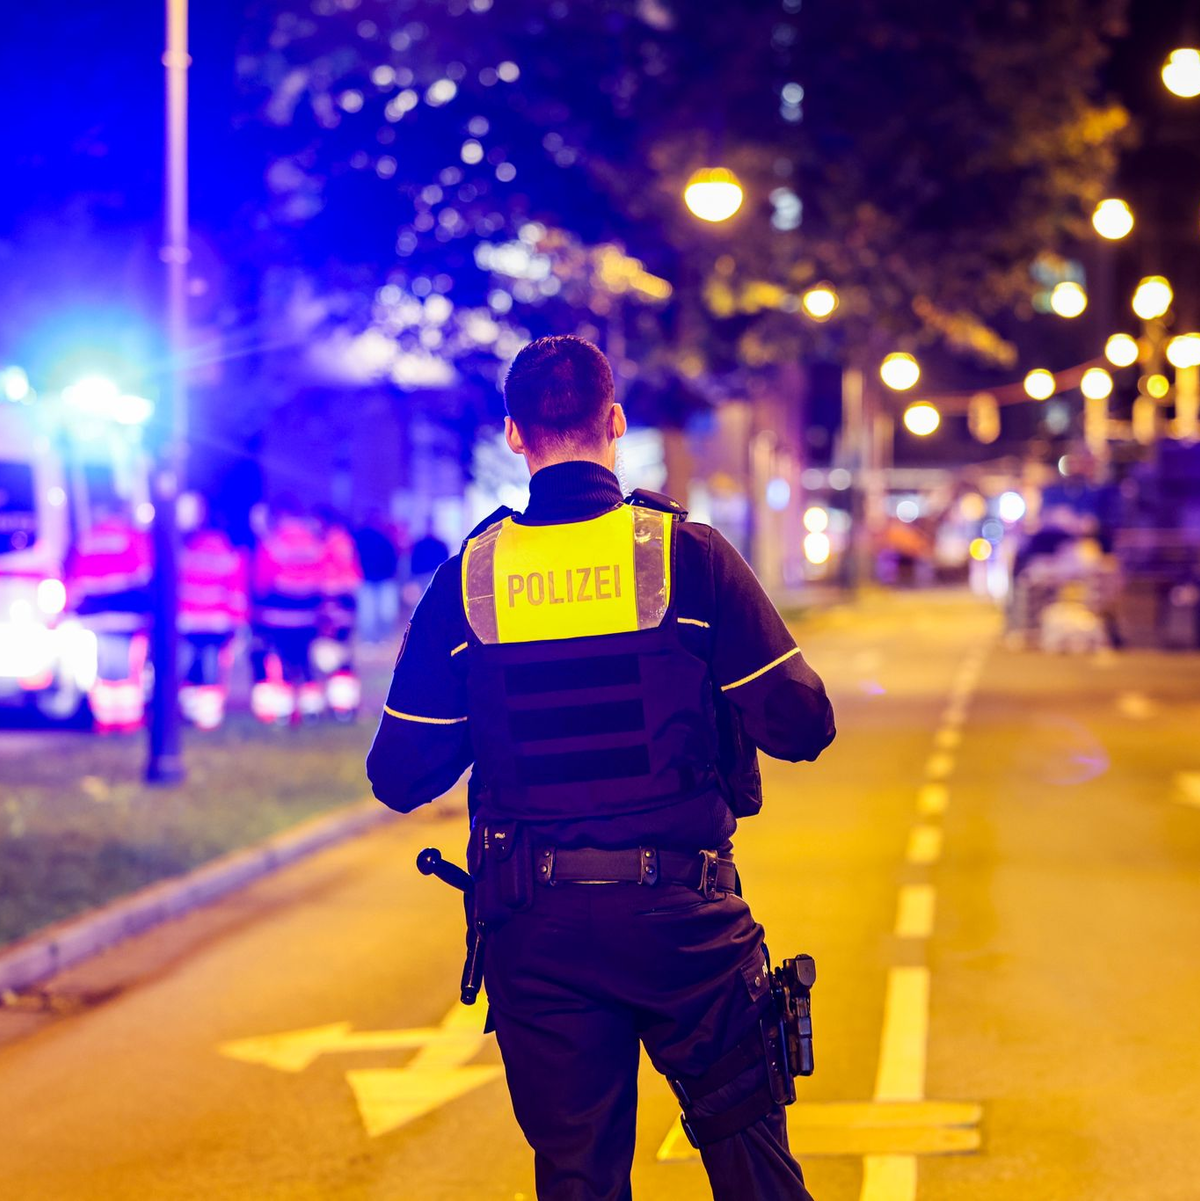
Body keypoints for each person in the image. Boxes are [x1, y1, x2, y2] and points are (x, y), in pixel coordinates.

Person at [367, 335, 835, 1201]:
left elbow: (400, 773)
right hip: (683, 925)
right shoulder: (686, 557)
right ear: (615, 422)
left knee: (578, 1180)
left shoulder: (471, 578)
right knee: (755, 1175)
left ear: (514, 434)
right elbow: (805, 724)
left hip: (536, 929)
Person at [65, 500, 153, 733]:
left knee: (103, 668)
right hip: (125, 616)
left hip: (94, 617)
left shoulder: (87, 537)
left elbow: (73, 578)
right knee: (125, 671)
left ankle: (104, 720)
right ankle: (126, 722)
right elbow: (144, 575)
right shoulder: (130, 536)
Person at [250, 499, 325, 724]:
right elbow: (321, 577)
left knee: (281, 661)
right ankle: (311, 710)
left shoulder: (273, 542)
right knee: (304, 660)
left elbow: (262, 580)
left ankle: (283, 712)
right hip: (307, 615)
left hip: (278, 615)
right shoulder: (314, 542)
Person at [177, 493, 248, 730]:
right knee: (209, 668)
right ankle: (207, 719)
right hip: (216, 622)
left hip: (188, 621)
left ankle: (188, 714)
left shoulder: (186, 551)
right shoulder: (226, 553)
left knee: (187, 668)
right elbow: (236, 593)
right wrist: (237, 623)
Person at [314, 506, 364, 719]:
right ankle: (343, 704)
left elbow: (331, 574)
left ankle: (342, 706)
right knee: (341, 653)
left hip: (336, 601)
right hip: (344, 600)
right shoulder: (342, 540)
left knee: (338, 653)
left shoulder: (333, 542)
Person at [353, 510, 401, 643]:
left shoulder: (363, 535)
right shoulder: (381, 535)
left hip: (378, 578)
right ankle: (374, 639)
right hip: (370, 578)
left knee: (381, 613)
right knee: (372, 614)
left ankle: (378, 638)